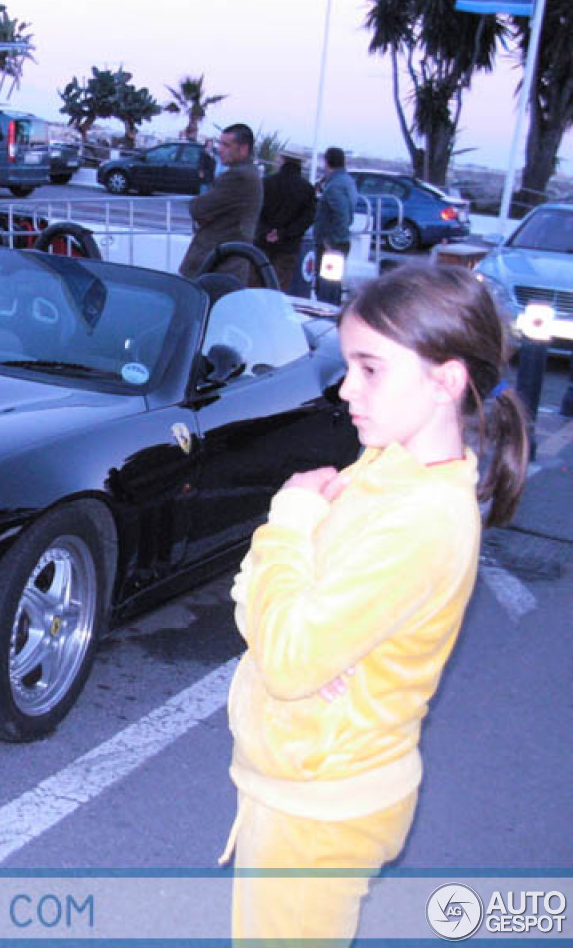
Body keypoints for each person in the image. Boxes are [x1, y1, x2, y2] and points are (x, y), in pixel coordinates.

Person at [221, 263, 529, 944]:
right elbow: (258, 606)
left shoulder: (421, 517)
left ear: (446, 379)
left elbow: (286, 654)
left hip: (322, 808)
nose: (344, 387)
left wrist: (288, 524)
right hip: (299, 783)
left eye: (370, 369)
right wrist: (289, 618)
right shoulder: (383, 468)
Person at [179, 123, 262, 284]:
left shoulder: (239, 176)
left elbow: (198, 208)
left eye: (226, 145)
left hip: (217, 267)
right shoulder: (248, 173)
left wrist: (202, 212)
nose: (220, 149)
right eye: (220, 143)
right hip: (224, 266)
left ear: (243, 149)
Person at [256, 152, 316, 292]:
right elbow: (307, 219)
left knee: (256, 284)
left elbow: (257, 211)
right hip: (288, 246)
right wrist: (283, 233)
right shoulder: (306, 188)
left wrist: (266, 232)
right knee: (278, 287)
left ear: (282, 160)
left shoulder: (267, 182)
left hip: (262, 244)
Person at [313, 146, 358, 296]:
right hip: (341, 241)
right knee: (333, 285)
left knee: (326, 288)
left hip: (332, 244)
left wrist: (330, 242)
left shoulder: (335, 186)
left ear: (327, 162)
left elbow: (341, 215)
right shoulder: (347, 181)